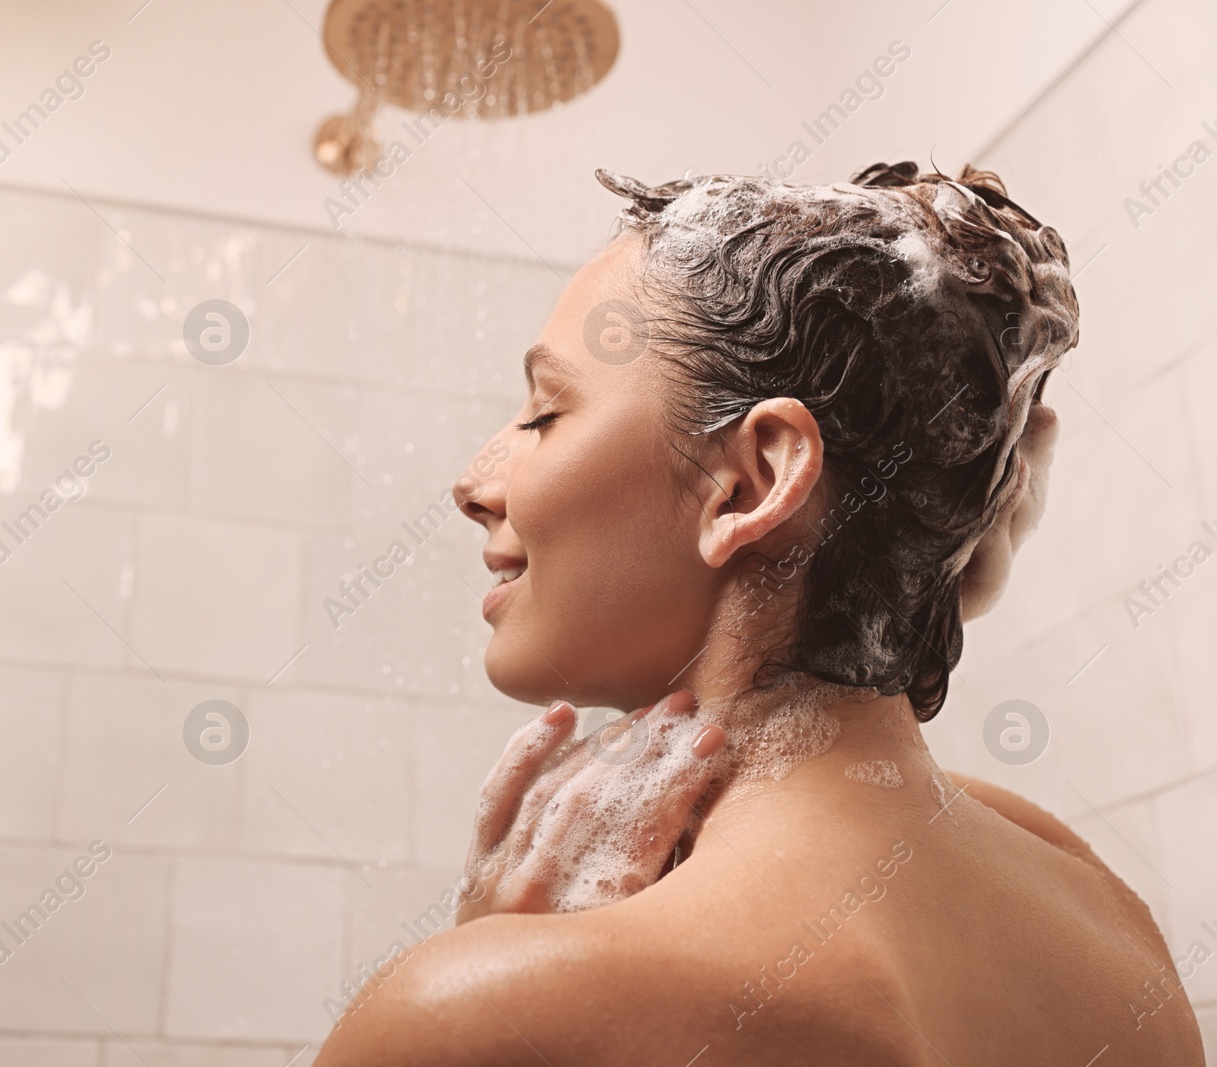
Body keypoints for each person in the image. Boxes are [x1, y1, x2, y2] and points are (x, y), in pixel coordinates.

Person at [315, 163, 1205, 1065]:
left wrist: (485, 967)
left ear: (750, 483)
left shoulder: (477, 1013)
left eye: (546, 412)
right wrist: (906, 561)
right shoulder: (1095, 908)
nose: (474, 484)